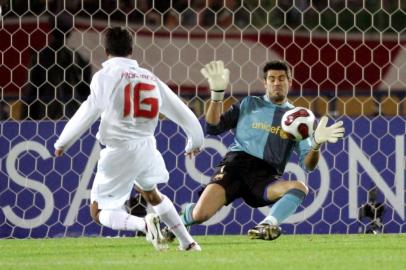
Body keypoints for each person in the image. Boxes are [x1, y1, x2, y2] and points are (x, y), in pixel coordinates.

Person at [54, 27, 204, 251]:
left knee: (98, 211)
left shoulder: (104, 77)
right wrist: (196, 138)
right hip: (146, 148)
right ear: (131, 50)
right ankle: (188, 243)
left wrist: (63, 142)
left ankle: (144, 223)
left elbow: (89, 110)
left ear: (106, 51)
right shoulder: (150, 77)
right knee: (152, 194)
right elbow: (180, 109)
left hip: (120, 150)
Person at [164, 60, 345, 241]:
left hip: (264, 178)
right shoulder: (249, 104)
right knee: (200, 215)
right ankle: (184, 217)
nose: (276, 83)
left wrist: (316, 144)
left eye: (282, 78)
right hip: (234, 166)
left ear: (290, 82)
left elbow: (308, 165)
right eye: (272, 79)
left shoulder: (297, 119)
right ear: (265, 83)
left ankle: (268, 225)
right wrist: (217, 95)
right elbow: (213, 127)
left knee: (299, 188)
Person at [23, 15, 91, 120]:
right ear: (69, 32)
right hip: (70, 118)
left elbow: (30, 93)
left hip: (45, 119)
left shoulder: (39, 57)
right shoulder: (78, 58)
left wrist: (24, 122)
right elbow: (86, 93)